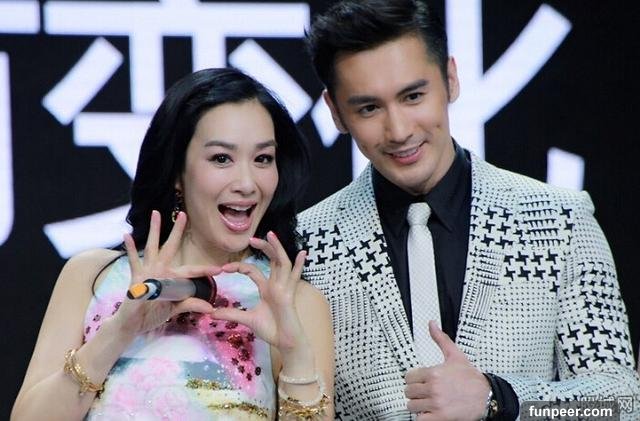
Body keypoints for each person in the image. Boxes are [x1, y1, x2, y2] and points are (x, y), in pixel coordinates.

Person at [298, 0, 640, 419]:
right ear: (336, 112)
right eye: (369, 108)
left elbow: (622, 402)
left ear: (451, 79)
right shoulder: (308, 247)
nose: (399, 130)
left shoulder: (560, 221)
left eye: (413, 96)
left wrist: (500, 399)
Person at [12, 68, 334, 420]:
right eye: (221, 158)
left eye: (263, 159)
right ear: (178, 172)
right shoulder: (92, 276)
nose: (247, 183)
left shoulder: (290, 302)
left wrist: (296, 356)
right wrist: (119, 331)